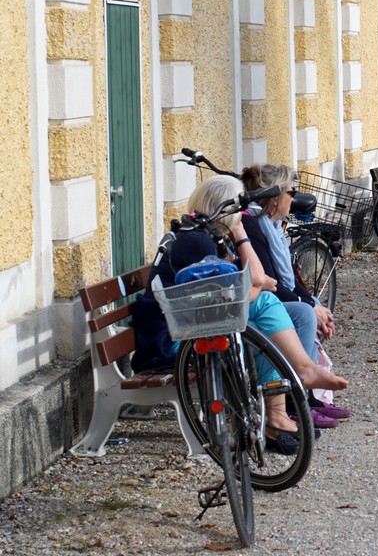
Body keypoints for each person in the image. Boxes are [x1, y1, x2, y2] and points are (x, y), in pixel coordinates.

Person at [132, 175, 348, 453]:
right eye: (239, 209)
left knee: (277, 314)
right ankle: (296, 383)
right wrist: (241, 235)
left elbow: (248, 285)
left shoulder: (206, 235)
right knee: (265, 307)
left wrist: (239, 235)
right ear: (224, 208)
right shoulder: (196, 241)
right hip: (174, 342)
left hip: (193, 326)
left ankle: (280, 412)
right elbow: (252, 285)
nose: (244, 214)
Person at [240, 164, 351, 427]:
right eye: (292, 192)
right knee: (303, 314)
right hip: (255, 303)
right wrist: (307, 306)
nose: (296, 197)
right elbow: (269, 281)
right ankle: (295, 402)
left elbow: (290, 277)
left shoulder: (272, 227)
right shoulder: (252, 225)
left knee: (312, 307)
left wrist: (313, 302)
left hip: (261, 300)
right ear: (275, 197)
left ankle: (307, 397)